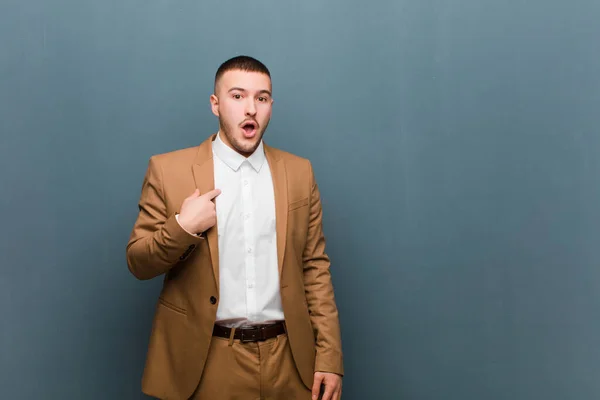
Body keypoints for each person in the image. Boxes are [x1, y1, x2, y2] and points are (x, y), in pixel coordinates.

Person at [126, 55, 343, 400]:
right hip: (207, 361)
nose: (251, 109)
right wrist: (183, 227)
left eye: (261, 98)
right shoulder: (168, 170)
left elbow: (315, 268)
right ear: (215, 104)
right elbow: (138, 262)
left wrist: (330, 358)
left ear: (271, 105)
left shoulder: (300, 173)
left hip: (289, 360)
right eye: (238, 96)